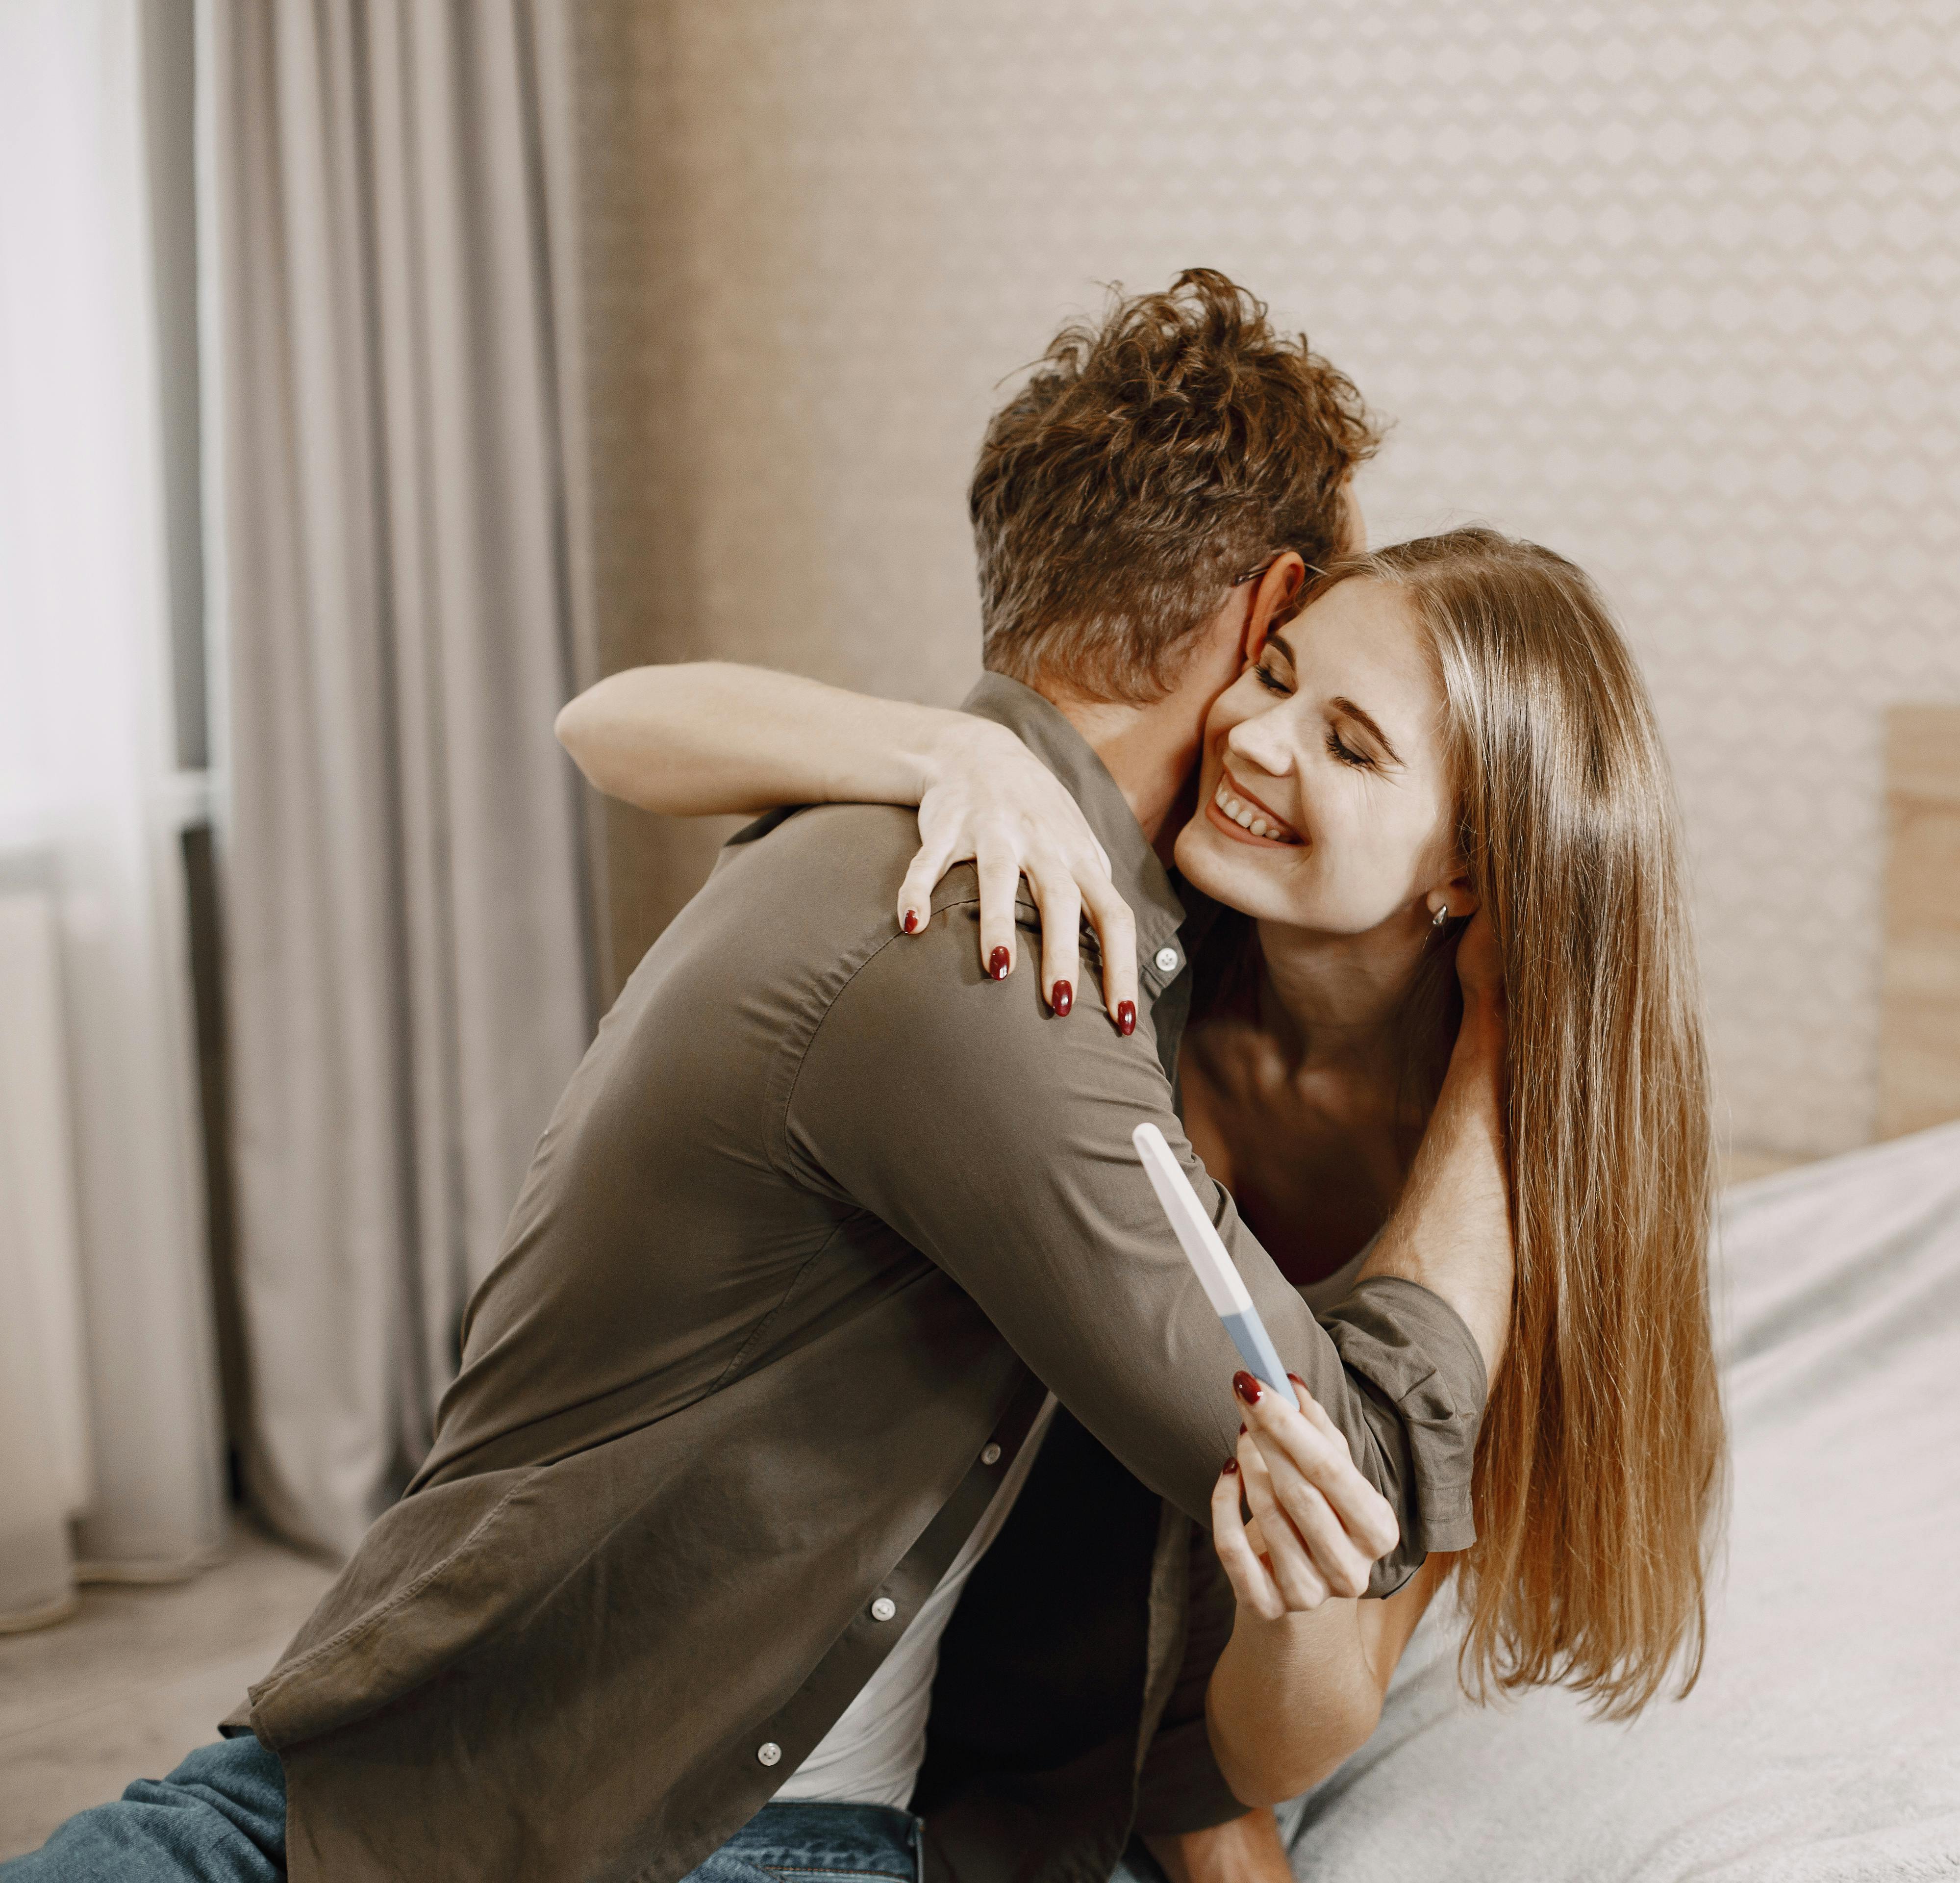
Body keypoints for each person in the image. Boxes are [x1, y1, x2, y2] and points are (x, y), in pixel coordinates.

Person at [2, 273, 1510, 1883]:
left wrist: (954, 744)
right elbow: (1340, 1464)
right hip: (671, 1825)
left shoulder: (891, 829)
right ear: (1265, 601)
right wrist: (1512, 1062)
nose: (1283, 740)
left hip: (431, 1738)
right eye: (1289, 671)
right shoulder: (1000, 950)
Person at [566, 526, 1729, 1881]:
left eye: (1351, 747)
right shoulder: (1126, 926)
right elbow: (615, 723)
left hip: (1133, 1722)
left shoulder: (1484, 1218)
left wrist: (1500, 1067)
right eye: (1276, 674)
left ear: (1468, 873)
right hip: (888, 1642)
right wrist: (960, 752)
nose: (1258, 739)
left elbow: (1307, 1709)